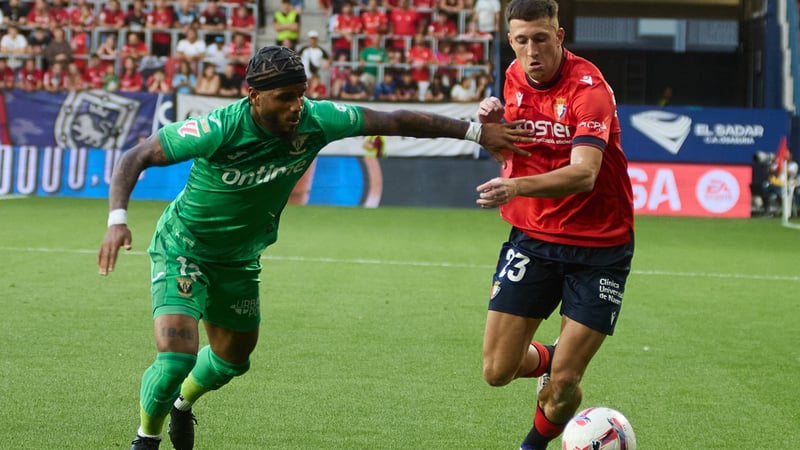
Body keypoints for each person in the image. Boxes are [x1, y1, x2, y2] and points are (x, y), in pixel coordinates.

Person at [97, 45, 533, 450]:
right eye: (285, 97)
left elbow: (396, 121)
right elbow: (135, 157)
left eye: (301, 95)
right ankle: (146, 438)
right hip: (184, 248)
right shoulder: (218, 128)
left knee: (233, 360)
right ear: (254, 97)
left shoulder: (317, 120)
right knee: (176, 359)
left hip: (240, 259)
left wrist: (476, 132)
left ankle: (183, 403)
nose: (296, 106)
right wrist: (117, 220)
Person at [473, 1, 635, 449]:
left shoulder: (589, 89)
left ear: (559, 36)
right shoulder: (513, 77)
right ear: (510, 41)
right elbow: (516, 157)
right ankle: (549, 356)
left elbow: (584, 174)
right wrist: (493, 133)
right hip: (533, 240)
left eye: (541, 38)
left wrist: (515, 188)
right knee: (496, 371)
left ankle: (533, 444)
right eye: (522, 40)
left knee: (565, 382)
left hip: (600, 247)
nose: (532, 51)